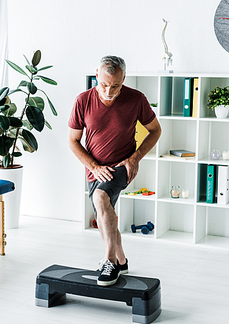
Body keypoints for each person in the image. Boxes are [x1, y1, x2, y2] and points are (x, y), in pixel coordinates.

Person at [67, 56, 161, 286]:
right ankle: (121, 260)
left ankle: (109, 261)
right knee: (104, 213)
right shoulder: (83, 101)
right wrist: (94, 167)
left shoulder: (136, 99)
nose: (109, 91)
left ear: (124, 79)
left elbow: (155, 130)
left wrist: (135, 158)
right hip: (95, 169)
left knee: (101, 198)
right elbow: (73, 141)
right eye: (104, 84)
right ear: (96, 75)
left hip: (121, 166)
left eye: (116, 86)